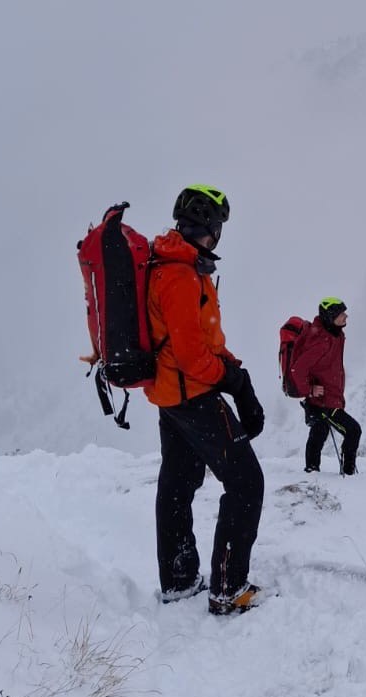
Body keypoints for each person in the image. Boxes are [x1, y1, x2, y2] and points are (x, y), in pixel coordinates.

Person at [145, 184, 266, 617]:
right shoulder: (179, 275)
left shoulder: (179, 266)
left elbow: (207, 339)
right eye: (219, 226)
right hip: (193, 396)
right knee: (247, 483)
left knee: (177, 486)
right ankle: (229, 588)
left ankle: (179, 581)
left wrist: (236, 371)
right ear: (210, 226)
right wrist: (233, 381)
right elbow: (193, 356)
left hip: (171, 398)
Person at [290, 297, 362, 475]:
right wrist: (309, 390)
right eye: (341, 313)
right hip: (324, 401)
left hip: (328, 398)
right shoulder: (322, 342)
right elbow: (297, 369)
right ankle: (349, 472)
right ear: (330, 316)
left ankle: (312, 470)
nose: (346, 316)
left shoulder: (335, 335)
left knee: (319, 430)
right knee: (353, 430)